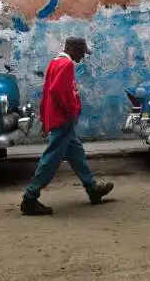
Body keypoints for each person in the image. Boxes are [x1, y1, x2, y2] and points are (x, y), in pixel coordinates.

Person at [20, 37, 114, 216]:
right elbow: (56, 91)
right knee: (51, 158)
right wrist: (72, 110)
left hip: (58, 118)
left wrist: (45, 117)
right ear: (73, 49)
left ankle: (92, 189)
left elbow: (47, 91)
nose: (82, 57)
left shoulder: (55, 62)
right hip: (63, 119)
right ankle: (30, 197)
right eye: (82, 52)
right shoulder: (67, 65)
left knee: (76, 153)